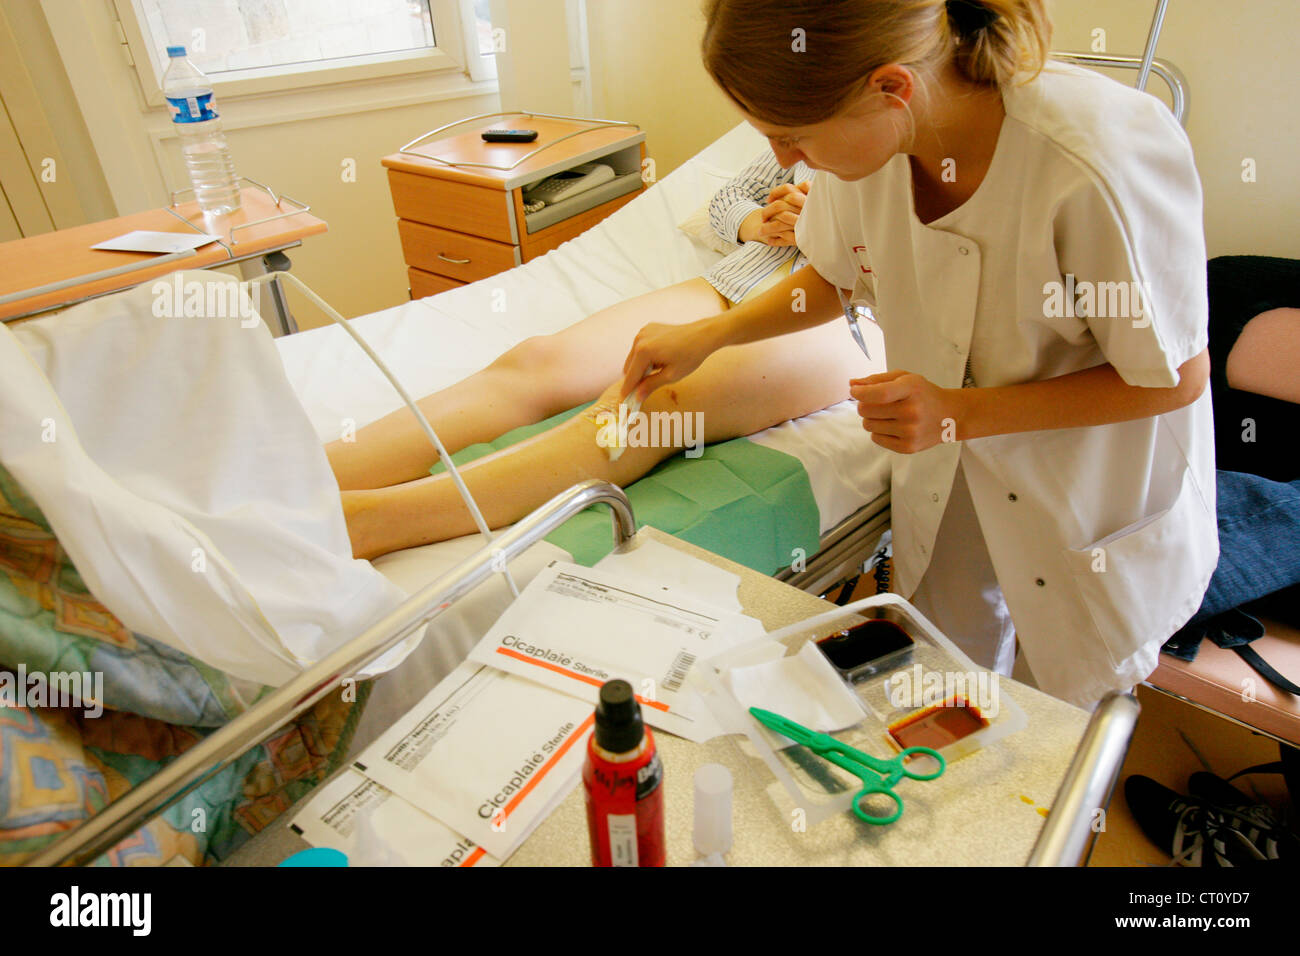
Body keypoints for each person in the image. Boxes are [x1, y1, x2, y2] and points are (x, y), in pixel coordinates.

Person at [617, 0, 1218, 706]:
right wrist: (711, 335)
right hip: (952, 477)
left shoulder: (1093, 159)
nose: (783, 160)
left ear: (892, 87)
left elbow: (1174, 378)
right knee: (943, 688)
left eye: (792, 136)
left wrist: (957, 412)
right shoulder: (869, 151)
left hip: (1085, 491)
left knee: (1065, 723)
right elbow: (838, 274)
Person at [330, 151, 875, 559]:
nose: (784, 150)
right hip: (734, 283)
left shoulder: (894, 158)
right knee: (536, 363)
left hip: (842, 316)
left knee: (651, 403)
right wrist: (758, 223)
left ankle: (371, 522)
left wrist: (825, 229)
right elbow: (731, 197)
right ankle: (312, 473)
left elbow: (896, 264)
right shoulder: (800, 122)